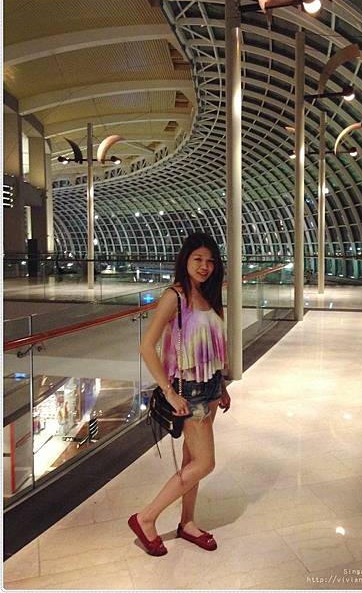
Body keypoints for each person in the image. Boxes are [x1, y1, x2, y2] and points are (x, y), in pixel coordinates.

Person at [128, 232, 231, 556]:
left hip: (210, 387)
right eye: (198, 259)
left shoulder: (210, 296)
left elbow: (213, 347)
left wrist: (222, 386)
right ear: (185, 260)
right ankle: (145, 518)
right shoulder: (175, 296)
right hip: (190, 391)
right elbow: (147, 347)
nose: (204, 266)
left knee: (191, 460)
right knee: (205, 463)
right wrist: (169, 392)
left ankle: (187, 522)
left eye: (210, 261)